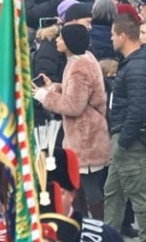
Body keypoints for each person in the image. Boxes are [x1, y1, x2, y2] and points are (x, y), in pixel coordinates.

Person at [35, 22, 110, 221]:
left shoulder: (78, 67)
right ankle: (87, 224)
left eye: (61, 38)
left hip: (85, 135)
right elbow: (77, 94)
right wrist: (56, 88)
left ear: (70, 42)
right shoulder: (82, 60)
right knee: (82, 186)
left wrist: (44, 97)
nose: (57, 40)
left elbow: (74, 106)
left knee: (88, 187)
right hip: (86, 132)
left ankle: (95, 226)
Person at [103, 13, 146, 242]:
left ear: (123, 36)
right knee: (112, 192)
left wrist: (124, 139)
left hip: (131, 140)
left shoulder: (136, 66)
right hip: (125, 137)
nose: (111, 39)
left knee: (139, 195)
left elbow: (138, 108)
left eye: (113, 35)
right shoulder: (134, 63)